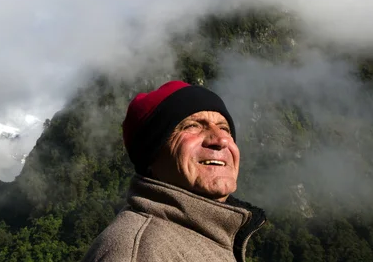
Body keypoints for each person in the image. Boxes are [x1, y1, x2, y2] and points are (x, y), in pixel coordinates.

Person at [81, 81, 266, 262]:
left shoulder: (209, 238)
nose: (221, 140)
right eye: (192, 126)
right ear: (152, 153)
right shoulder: (139, 252)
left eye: (225, 128)